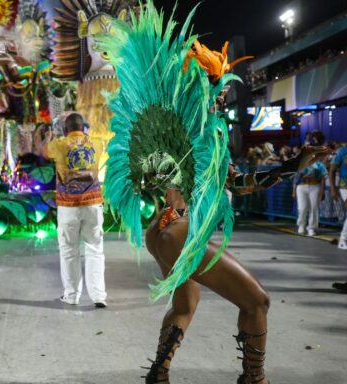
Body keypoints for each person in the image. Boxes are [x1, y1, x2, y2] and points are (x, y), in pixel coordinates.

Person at [94, 4, 326, 383]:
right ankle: (254, 379)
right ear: (198, 90)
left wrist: (292, 166)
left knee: (186, 304)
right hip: (178, 229)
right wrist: (166, 176)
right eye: (215, 89)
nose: (221, 98)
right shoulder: (189, 134)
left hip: (164, 230)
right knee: (258, 301)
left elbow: (237, 183)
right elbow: (164, 173)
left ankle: (159, 374)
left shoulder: (201, 136)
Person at [43, 112, 107, 307]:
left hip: (68, 206)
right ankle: (99, 296)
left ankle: (72, 296)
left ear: (66, 129)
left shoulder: (60, 145)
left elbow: (44, 152)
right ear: (83, 127)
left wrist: (50, 136)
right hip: (92, 203)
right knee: (95, 249)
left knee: (69, 251)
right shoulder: (96, 143)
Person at [293, 156, 327, 236]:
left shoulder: (319, 164)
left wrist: (322, 191)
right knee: (302, 208)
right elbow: (295, 178)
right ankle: (301, 225)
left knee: (314, 207)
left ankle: (311, 228)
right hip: (301, 187)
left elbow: (323, 178)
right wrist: (293, 191)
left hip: (315, 186)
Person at [329, 142, 347, 250]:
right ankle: (342, 240)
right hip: (345, 186)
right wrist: (332, 189)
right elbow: (332, 171)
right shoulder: (341, 151)